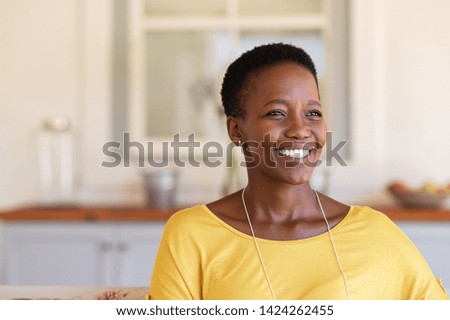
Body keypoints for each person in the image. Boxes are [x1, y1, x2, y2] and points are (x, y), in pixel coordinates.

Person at [147, 43, 448, 300]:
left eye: (313, 113)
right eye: (276, 113)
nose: (301, 129)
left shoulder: (375, 232)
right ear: (236, 129)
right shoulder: (192, 234)